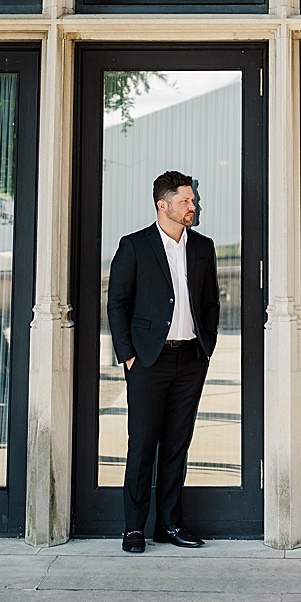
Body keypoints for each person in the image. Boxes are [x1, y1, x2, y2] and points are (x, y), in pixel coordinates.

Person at [107, 169, 220, 554]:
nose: (193, 206)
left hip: (190, 360)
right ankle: (133, 529)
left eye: (193, 200)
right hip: (148, 362)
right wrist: (128, 356)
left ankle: (168, 525)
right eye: (186, 201)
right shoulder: (134, 246)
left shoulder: (202, 247)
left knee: (176, 445)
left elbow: (210, 304)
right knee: (141, 445)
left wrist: (206, 350)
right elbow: (117, 303)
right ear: (163, 205)